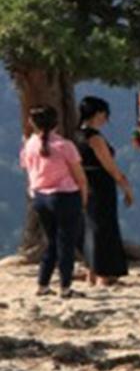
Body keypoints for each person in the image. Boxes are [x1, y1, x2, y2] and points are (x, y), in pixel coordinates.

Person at [20, 106, 88, 298]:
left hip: (40, 197)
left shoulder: (29, 145)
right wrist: (83, 199)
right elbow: (80, 177)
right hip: (65, 196)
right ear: (57, 122)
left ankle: (43, 283)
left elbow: (27, 168)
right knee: (66, 243)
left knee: (51, 242)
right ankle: (65, 287)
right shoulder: (65, 146)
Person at [76, 96, 133, 286]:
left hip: (83, 182)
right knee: (104, 227)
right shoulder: (95, 138)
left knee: (90, 227)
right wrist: (125, 186)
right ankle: (105, 273)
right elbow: (109, 166)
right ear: (99, 114)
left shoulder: (76, 135)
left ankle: (91, 270)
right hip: (100, 183)